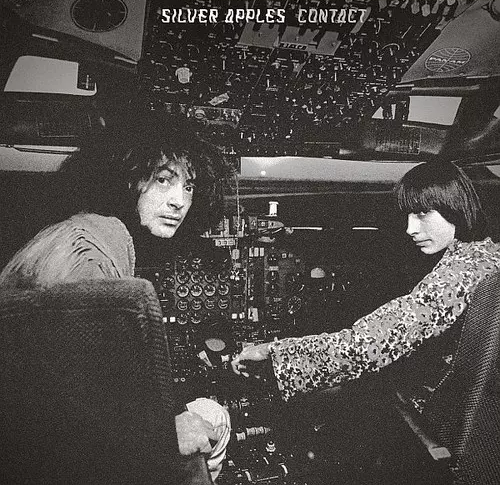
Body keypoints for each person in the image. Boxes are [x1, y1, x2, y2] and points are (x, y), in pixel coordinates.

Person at [0, 113, 231, 482]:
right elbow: (69, 416)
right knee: (214, 417)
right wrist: (165, 434)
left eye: (189, 187)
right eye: (163, 180)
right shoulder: (87, 255)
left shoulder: (88, 233)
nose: (179, 201)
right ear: (126, 179)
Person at [231, 161, 500, 409]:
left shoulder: (462, 273)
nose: (410, 228)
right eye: (409, 215)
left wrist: (271, 351)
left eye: (422, 213)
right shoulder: (485, 257)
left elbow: (366, 345)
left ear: (454, 206)